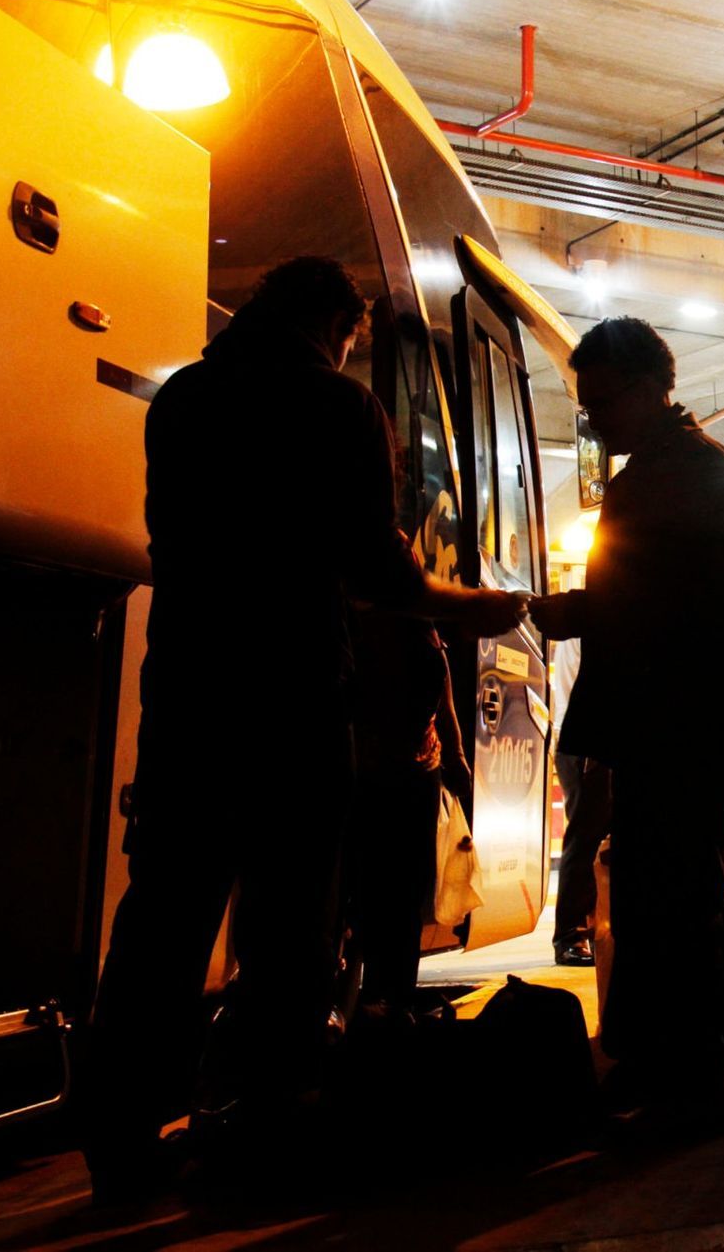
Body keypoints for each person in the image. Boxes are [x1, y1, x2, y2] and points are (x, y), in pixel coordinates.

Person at [81, 257, 527, 1200]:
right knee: (290, 932)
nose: (348, 354)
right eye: (352, 339)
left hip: (189, 691)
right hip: (291, 699)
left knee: (162, 916)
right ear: (334, 320)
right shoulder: (337, 409)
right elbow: (379, 575)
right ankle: (263, 1132)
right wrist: (476, 608)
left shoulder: (185, 399)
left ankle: (118, 1146)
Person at [528, 317, 724, 1145]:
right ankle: (658, 1067)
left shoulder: (687, 474)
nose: (591, 420)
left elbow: (662, 607)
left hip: (677, 724)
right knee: (654, 899)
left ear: (647, 387)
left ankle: (693, 1085)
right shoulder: (678, 467)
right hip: (668, 723)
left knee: (674, 906)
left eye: (598, 402)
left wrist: (573, 612)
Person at [346, 605, 467, 1019]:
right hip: (370, 769)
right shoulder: (356, 606)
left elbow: (442, 683)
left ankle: (393, 998)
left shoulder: (415, 612)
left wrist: (455, 757)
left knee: (407, 889)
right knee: (371, 891)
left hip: (418, 768)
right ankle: (367, 998)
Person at [546, 634, 602, 967]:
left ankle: (590, 930)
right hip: (586, 743)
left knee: (590, 838)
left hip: (585, 740)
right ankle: (571, 935)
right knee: (585, 838)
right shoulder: (592, 624)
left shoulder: (590, 620)